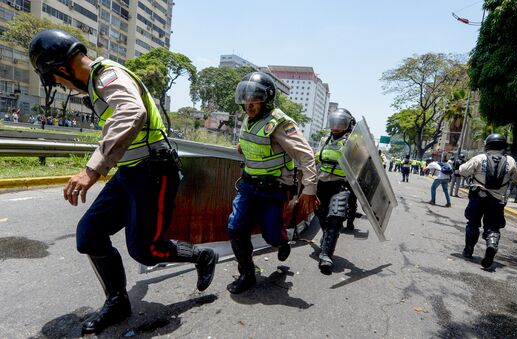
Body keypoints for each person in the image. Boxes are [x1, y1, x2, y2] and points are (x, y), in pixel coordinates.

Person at [29, 30, 219, 334]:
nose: (62, 87)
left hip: (154, 171)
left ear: (63, 68)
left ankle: (201, 255)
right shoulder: (95, 86)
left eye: (57, 80)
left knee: (145, 250)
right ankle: (117, 301)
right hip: (130, 172)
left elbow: (132, 111)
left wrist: (91, 170)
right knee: (89, 234)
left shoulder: (107, 76)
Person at [227, 71, 319, 293]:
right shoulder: (249, 121)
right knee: (235, 227)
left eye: (255, 98)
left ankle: (282, 242)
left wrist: (309, 189)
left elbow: (306, 155)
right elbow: (252, 146)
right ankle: (247, 273)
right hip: (248, 187)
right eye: (246, 98)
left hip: (273, 191)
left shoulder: (280, 123)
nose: (249, 104)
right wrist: (243, 148)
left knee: (271, 234)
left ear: (267, 99)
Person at [458, 134, 517, 268]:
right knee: (493, 227)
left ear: (488, 144)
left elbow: (463, 171)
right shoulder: (510, 161)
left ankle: (468, 251)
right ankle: (491, 245)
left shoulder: (480, 158)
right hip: (497, 200)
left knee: (473, 224)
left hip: (478, 197)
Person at [314, 108, 359, 274]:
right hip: (322, 184)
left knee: (335, 218)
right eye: (334, 123)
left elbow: (362, 163)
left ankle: (326, 255)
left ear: (348, 125)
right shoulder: (325, 140)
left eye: (340, 123)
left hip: (341, 185)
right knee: (321, 215)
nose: (336, 127)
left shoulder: (353, 142)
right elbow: (315, 158)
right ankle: (326, 240)